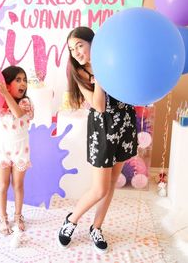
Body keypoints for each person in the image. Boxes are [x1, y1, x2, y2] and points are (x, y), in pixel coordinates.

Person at [58, 27, 138, 254]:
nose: (76, 53)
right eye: (72, 49)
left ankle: (97, 227)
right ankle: (71, 221)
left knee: (112, 183)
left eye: (79, 46)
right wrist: (101, 75)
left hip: (124, 123)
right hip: (103, 129)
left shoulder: (115, 59)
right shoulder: (80, 73)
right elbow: (99, 106)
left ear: (94, 43)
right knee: (99, 188)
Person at [0, 66, 34, 235]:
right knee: (2, 185)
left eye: (24, 80)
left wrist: (5, 94)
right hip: (2, 150)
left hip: (20, 151)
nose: (23, 83)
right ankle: (3, 217)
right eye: (18, 79)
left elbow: (17, 114)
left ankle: (18, 216)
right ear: (7, 83)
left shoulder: (26, 103)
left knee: (18, 185)